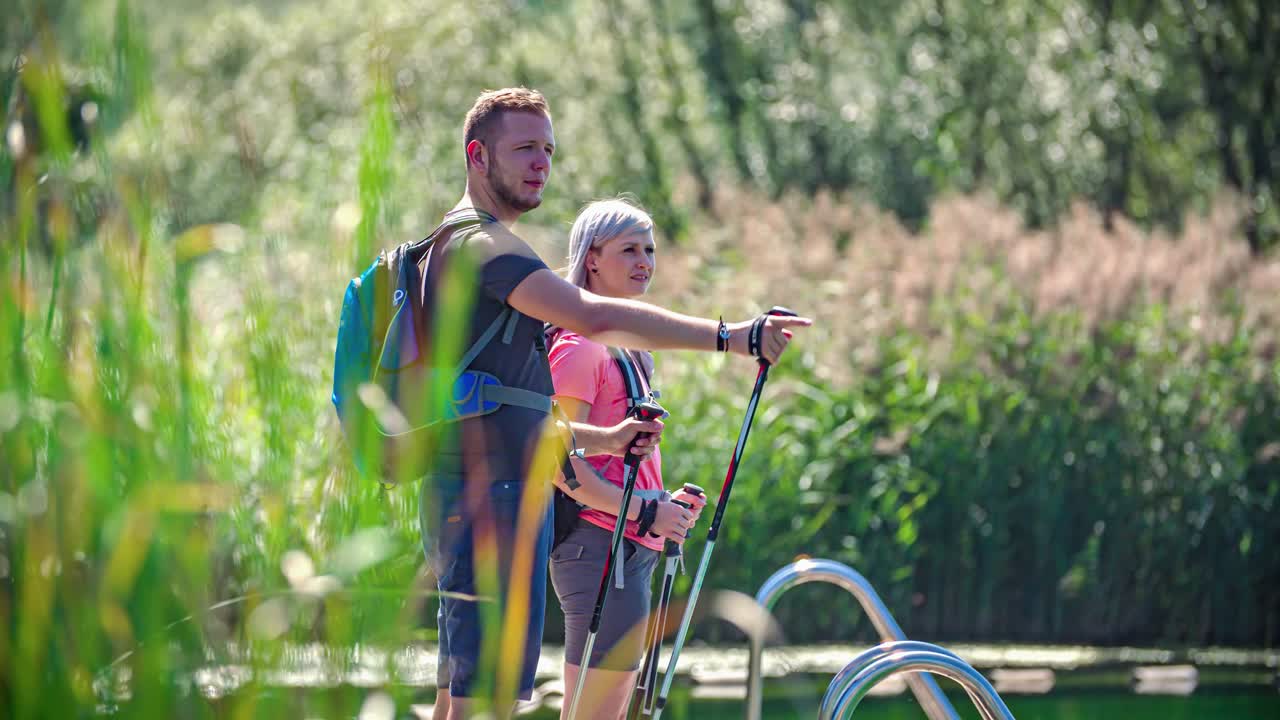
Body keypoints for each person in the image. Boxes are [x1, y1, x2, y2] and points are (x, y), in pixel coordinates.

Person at [421, 87, 811, 720]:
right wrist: (728, 337)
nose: (541, 162)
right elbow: (592, 317)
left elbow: (522, 411)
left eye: (547, 148)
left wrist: (612, 450)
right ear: (477, 155)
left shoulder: (451, 246)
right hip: (497, 507)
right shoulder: (483, 246)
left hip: (476, 498)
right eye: (524, 148)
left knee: (462, 704)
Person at [546, 198, 707, 719]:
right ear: (591, 259)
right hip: (597, 551)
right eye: (629, 250)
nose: (645, 261)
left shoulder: (632, 350)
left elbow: (619, 456)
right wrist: (645, 512)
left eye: (650, 250)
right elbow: (559, 465)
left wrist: (665, 504)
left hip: (628, 552)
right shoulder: (581, 348)